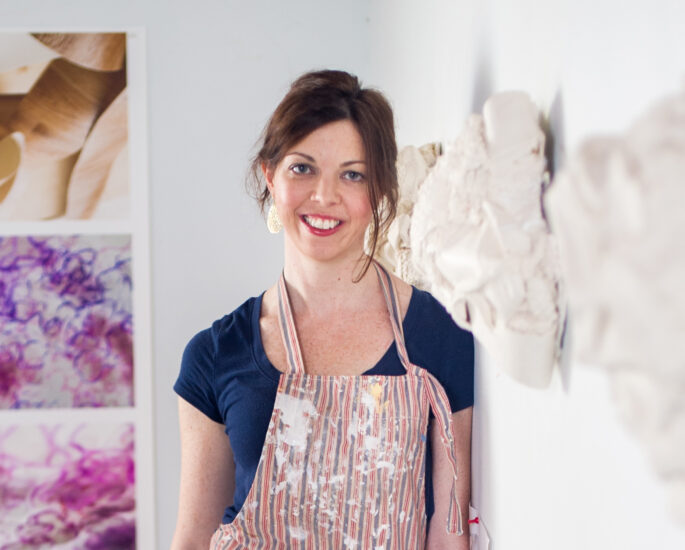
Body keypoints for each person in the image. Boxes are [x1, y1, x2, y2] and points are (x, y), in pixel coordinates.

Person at [171, 70, 474, 550]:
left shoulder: (438, 335)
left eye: (352, 174)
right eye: (302, 168)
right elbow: (192, 537)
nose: (324, 196)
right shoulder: (214, 355)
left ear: (378, 191)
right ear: (268, 175)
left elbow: (449, 530)